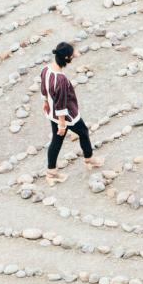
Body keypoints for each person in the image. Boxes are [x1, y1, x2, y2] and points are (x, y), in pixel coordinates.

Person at [39, 42, 101, 184]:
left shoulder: (46, 69)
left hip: (52, 113)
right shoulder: (60, 80)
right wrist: (62, 123)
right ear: (66, 58)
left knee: (57, 141)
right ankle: (89, 159)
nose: (74, 56)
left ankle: (51, 172)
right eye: (72, 55)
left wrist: (45, 101)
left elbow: (43, 87)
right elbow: (61, 102)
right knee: (83, 131)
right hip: (66, 116)